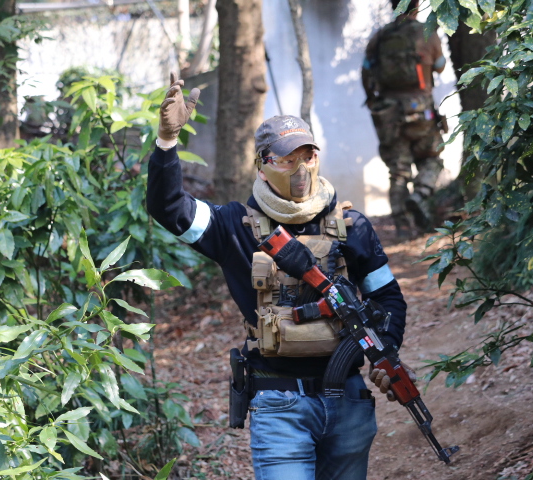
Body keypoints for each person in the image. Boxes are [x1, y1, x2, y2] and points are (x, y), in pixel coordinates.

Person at [147, 73, 409, 480]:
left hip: (349, 401)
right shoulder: (233, 226)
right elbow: (169, 208)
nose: (300, 169)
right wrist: (167, 141)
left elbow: (388, 298)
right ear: (263, 167)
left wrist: (385, 350)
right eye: (287, 160)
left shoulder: (352, 225)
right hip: (279, 406)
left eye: (308, 156)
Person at [361, 0, 448, 238]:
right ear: (417, 5)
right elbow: (440, 66)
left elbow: (366, 70)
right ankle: (420, 194)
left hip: (388, 112)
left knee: (398, 172)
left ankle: (402, 227)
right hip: (421, 111)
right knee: (431, 159)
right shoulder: (427, 32)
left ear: (393, 6)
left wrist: (372, 99)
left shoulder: (380, 37)